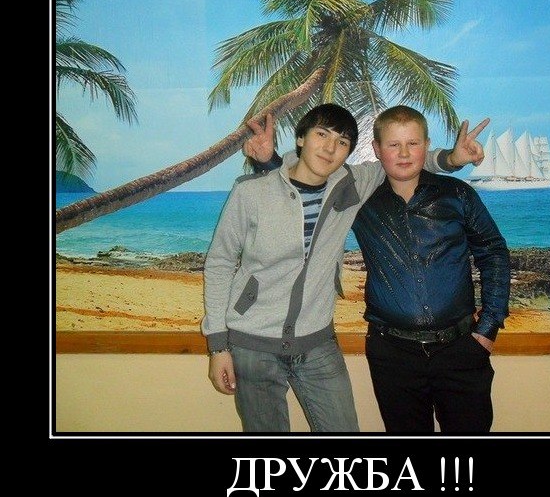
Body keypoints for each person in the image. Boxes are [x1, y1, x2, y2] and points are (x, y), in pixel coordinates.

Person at [202, 103, 485, 433]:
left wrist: (453, 159)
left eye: (342, 142)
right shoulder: (250, 192)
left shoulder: (351, 183)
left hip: (317, 342)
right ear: (301, 138)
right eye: (321, 135)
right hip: (252, 344)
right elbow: (220, 263)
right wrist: (218, 346)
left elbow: (403, 160)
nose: (329, 147)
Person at [351, 105, 511, 433]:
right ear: (377, 149)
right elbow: (309, 179)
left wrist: (488, 328)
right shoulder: (358, 201)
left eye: (413, 143)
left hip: (461, 349)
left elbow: (493, 253)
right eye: (394, 145)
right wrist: (269, 162)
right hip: (391, 354)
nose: (404, 153)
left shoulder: (458, 194)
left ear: (426, 145)